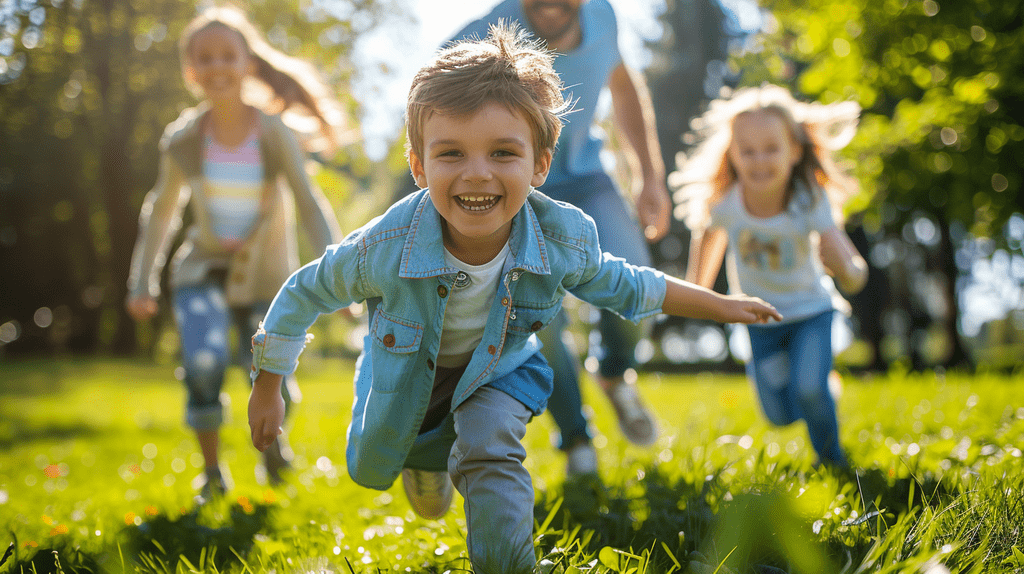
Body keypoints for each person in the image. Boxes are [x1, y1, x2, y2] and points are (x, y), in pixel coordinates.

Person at [248, 25, 780, 573]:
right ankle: (425, 461)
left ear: (540, 164)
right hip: (414, 380)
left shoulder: (559, 238)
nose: (477, 173)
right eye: (451, 153)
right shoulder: (384, 247)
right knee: (424, 489)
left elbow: (629, 285)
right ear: (419, 166)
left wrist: (721, 304)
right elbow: (305, 290)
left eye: (503, 152)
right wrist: (268, 384)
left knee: (489, 444)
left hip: (500, 369)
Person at [125, 5, 345, 499]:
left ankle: (271, 447)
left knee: (272, 375)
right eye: (205, 58)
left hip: (266, 276)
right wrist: (142, 282)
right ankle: (212, 473)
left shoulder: (272, 133)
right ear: (191, 71)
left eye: (228, 55)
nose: (218, 66)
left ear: (248, 63)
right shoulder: (184, 139)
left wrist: (337, 277)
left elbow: (310, 204)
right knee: (202, 364)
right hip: (202, 271)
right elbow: (161, 213)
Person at [450, 0, 673, 478]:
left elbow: (622, 85)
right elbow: (429, 107)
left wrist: (649, 175)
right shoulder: (483, 33)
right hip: (514, 192)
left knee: (637, 280)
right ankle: (576, 440)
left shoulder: (603, 18)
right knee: (537, 318)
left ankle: (614, 372)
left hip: (587, 177)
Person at [678, 84, 868, 469]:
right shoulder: (726, 204)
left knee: (809, 392)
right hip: (760, 321)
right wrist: (698, 299)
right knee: (779, 415)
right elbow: (702, 269)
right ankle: (819, 387)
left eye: (771, 149)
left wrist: (844, 270)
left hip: (812, 312)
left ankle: (832, 461)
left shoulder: (808, 199)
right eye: (747, 150)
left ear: (794, 151)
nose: (759, 161)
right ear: (732, 154)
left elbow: (856, 276)